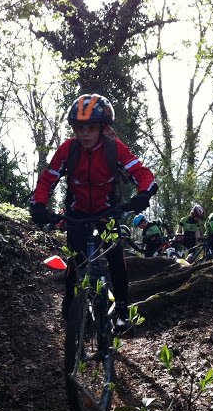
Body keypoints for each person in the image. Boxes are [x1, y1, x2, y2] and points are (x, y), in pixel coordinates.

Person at [30, 94, 158, 331]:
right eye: (80, 127)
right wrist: (38, 204)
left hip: (106, 213)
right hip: (77, 214)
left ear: (103, 128)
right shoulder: (68, 149)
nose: (85, 133)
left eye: (91, 127)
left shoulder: (114, 148)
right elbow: (48, 178)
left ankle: (121, 311)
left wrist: (143, 194)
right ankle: (70, 308)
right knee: (75, 263)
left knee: (115, 259)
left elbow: (142, 173)